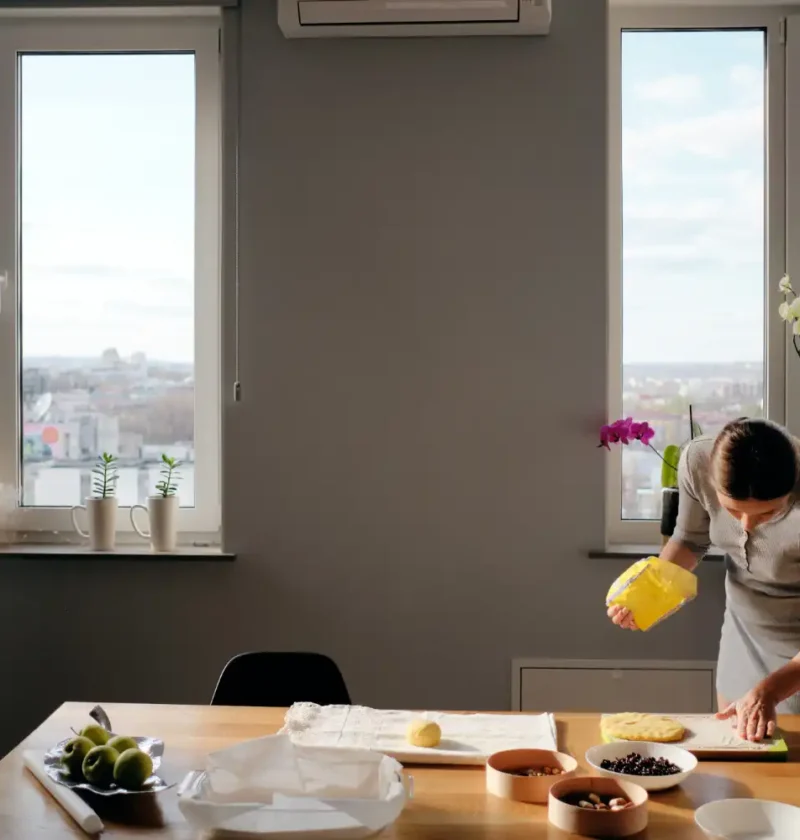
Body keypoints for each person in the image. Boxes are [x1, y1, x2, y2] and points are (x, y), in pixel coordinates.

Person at [608, 418, 800, 742]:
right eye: (733, 511)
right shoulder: (698, 461)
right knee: (740, 748)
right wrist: (650, 592)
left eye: (767, 514)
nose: (747, 526)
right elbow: (690, 540)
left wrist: (771, 689)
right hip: (744, 627)